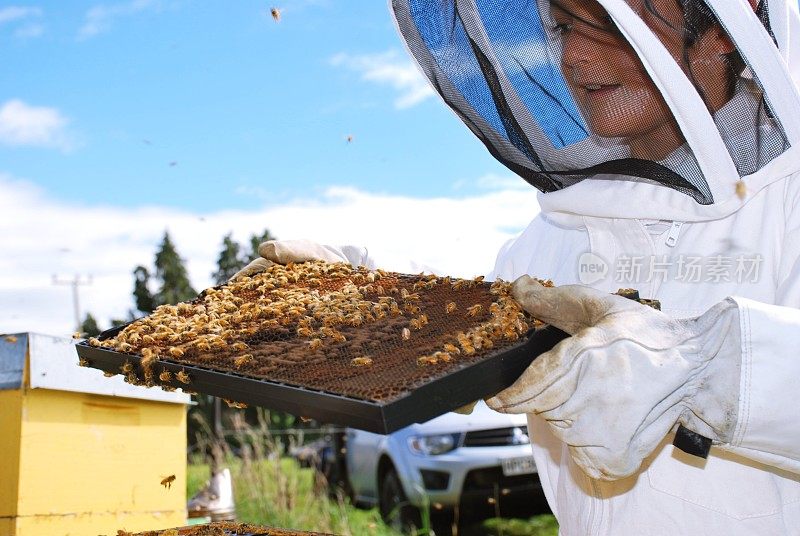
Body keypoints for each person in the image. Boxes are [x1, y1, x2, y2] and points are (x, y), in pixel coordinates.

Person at [243, 0, 800, 533]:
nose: (574, 59)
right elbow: (477, 320)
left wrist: (701, 371)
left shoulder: (788, 203)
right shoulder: (558, 234)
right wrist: (362, 299)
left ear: (724, 24)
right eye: (562, 28)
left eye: (605, 22)